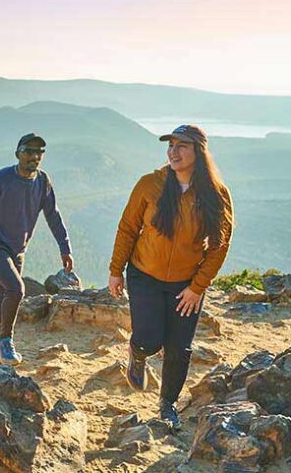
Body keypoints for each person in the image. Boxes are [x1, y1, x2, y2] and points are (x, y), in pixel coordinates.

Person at [108, 124, 233, 429]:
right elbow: (127, 229)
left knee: (179, 348)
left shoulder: (216, 194)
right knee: (149, 339)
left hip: (185, 285)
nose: (173, 152)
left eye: (182, 146)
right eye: (171, 146)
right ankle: (138, 354)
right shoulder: (150, 184)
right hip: (144, 275)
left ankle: (168, 405)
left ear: (198, 152)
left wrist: (197, 287)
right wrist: (116, 271)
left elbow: (220, 245)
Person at [0, 133, 74, 366]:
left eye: (39, 152)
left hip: (17, 249)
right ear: (18, 154)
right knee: (16, 289)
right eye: (29, 151)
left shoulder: (43, 182)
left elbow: (53, 215)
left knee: (6, 293)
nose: (34, 156)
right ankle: (6, 340)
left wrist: (65, 248)